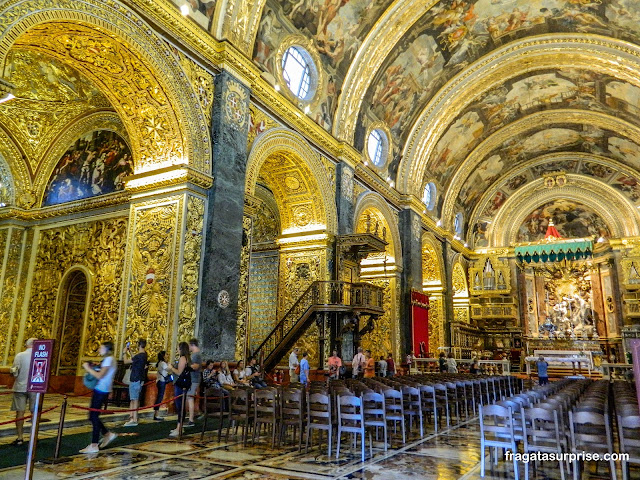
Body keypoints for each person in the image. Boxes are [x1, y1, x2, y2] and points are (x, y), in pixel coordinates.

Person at [80, 341, 118, 453]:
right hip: (103, 389)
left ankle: (94, 444)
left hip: (101, 389)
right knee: (93, 415)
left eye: (101, 347)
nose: (99, 350)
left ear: (107, 348)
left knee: (93, 416)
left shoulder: (108, 359)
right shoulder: (111, 359)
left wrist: (87, 368)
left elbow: (100, 375)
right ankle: (107, 434)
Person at [10, 338, 37, 446]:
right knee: (34, 413)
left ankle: (20, 437)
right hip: (35, 387)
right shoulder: (39, 356)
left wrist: (14, 375)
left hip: (20, 387)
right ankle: (34, 437)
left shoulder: (20, 355)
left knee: (20, 413)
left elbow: (14, 371)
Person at [123, 338, 147, 427]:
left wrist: (124, 352)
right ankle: (132, 417)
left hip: (135, 379)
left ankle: (134, 419)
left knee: (134, 399)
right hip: (139, 378)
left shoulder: (139, 356)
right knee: (134, 398)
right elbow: (135, 358)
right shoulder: (144, 355)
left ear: (138, 345)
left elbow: (126, 361)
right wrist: (131, 352)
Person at [168, 341, 190, 438]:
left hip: (180, 384)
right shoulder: (188, 358)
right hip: (184, 384)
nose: (177, 349)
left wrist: (171, 368)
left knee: (179, 405)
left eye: (178, 348)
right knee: (181, 405)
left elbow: (179, 372)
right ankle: (179, 426)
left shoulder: (182, 358)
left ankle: (179, 427)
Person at [187, 338, 203, 427]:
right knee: (190, 398)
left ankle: (191, 419)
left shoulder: (196, 355)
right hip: (194, 378)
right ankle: (191, 416)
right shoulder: (195, 354)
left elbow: (195, 366)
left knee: (190, 398)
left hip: (194, 379)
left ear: (192, 345)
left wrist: (187, 365)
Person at [153, 351, 169, 421]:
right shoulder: (163, 363)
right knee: (160, 397)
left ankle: (156, 413)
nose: (168, 356)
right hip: (162, 381)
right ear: (163, 356)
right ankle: (156, 414)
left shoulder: (160, 363)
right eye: (166, 354)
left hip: (159, 381)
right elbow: (169, 369)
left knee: (159, 397)